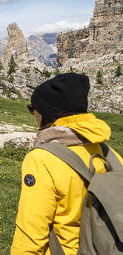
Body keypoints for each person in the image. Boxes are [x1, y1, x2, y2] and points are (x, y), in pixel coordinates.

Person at [10, 72, 123, 255]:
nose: (33, 115)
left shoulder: (41, 159)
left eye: (33, 109)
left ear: (46, 114)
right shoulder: (107, 151)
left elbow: (30, 232)